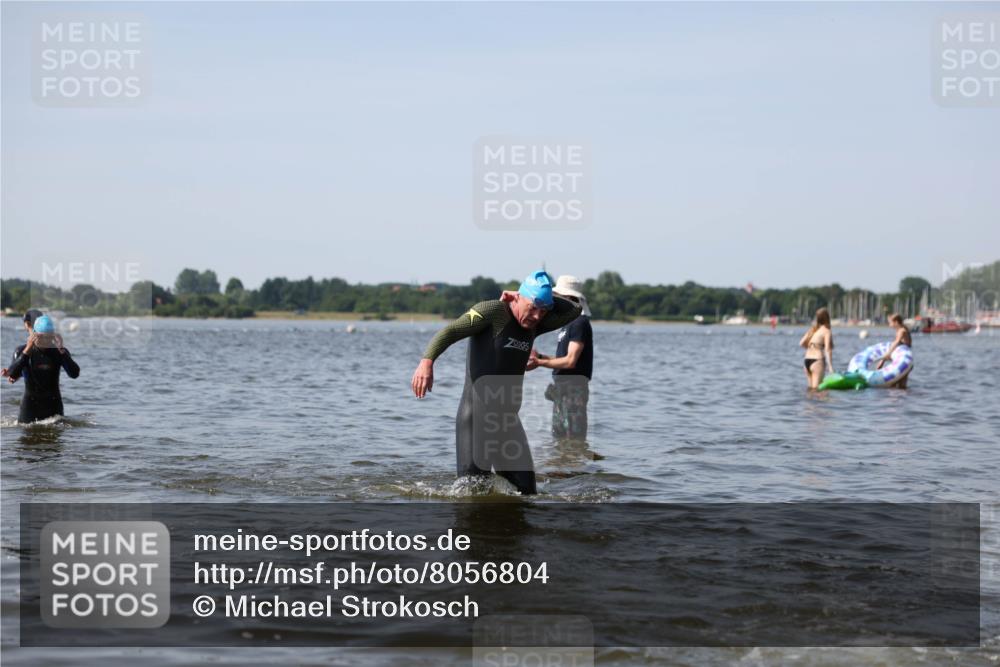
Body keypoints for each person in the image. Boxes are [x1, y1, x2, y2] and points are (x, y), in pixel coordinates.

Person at [411, 270, 581, 495]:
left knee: (527, 493)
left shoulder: (534, 325)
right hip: (476, 420)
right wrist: (426, 362)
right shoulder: (493, 312)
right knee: (472, 493)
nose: (538, 316)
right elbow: (451, 331)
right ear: (518, 298)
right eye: (533, 307)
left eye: (544, 310)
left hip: (508, 424)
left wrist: (542, 298)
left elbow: (574, 310)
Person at [530, 275, 593, 439]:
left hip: (574, 390)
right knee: (559, 438)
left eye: (558, 296)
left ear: (570, 298)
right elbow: (563, 358)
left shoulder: (580, 323)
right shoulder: (568, 324)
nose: (555, 300)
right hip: (563, 389)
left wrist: (540, 362)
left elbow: (570, 361)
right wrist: (541, 357)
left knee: (573, 438)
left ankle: (573, 463)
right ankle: (565, 463)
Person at [1, 314, 81, 424]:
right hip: (29, 408)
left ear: (53, 336)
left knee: (55, 439)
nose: (45, 340)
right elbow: (13, 375)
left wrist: (62, 352)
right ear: (33, 334)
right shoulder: (21, 351)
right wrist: (27, 351)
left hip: (54, 408)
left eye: (48, 337)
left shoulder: (60, 352)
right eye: (41, 336)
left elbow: (74, 374)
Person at [798, 307, 834, 390]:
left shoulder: (813, 329)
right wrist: (830, 367)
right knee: (817, 390)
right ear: (827, 318)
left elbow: (801, 343)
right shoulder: (826, 331)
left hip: (807, 360)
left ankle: (808, 403)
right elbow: (828, 349)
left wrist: (812, 347)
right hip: (817, 361)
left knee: (810, 390)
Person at [876, 313, 912, 388]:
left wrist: (885, 357)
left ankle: (900, 398)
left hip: (904, 362)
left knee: (895, 385)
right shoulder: (902, 329)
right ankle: (904, 398)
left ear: (896, 322)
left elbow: (896, 343)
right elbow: (897, 346)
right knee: (900, 386)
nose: (889, 325)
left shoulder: (902, 331)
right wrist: (883, 360)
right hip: (906, 362)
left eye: (890, 322)